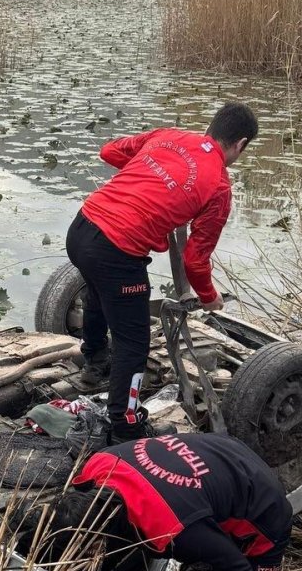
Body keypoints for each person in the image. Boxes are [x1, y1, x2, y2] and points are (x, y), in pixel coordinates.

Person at [66, 103, 258, 440]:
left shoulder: (168, 137)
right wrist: (210, 297)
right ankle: (125, 426)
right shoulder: (219, 187)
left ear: (211, 126)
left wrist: (154, 178)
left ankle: (95, 363)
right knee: (133, 343)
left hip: (81, 228)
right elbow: (195, 260)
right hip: (116, 251)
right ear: (240, 144)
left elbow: (109, 151)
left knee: (97, 295)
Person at [50, 432, 292, 571]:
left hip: (264, 508)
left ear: (104, 530)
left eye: (91, 549)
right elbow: (118, 536)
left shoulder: (174, 527)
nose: (90, 557)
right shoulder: (99, 465)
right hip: (219, 452)